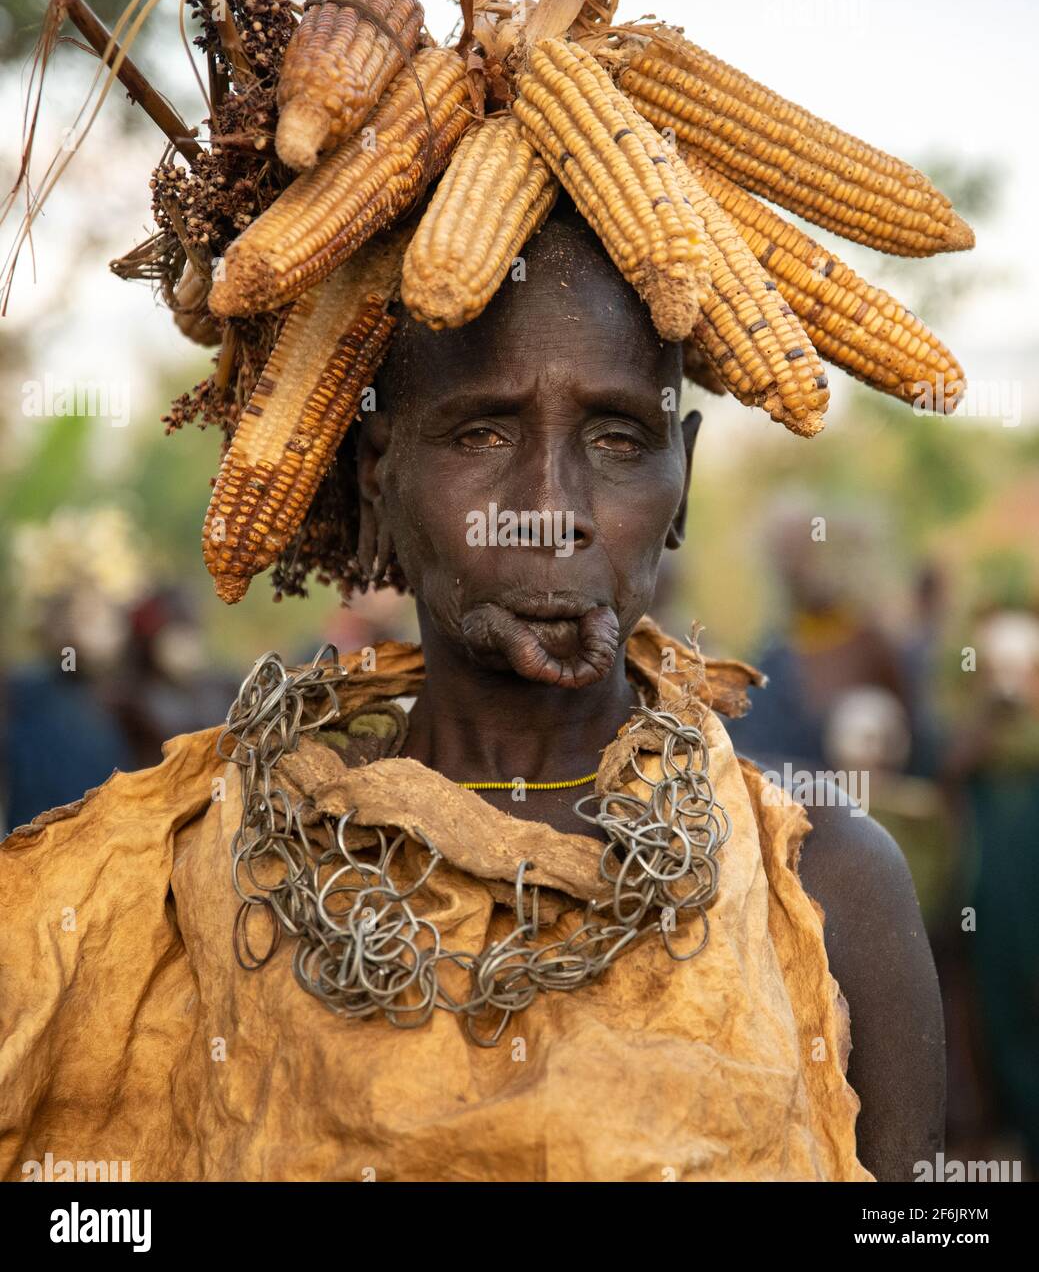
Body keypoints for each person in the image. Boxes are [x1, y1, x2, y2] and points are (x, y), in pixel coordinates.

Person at [0, 203, 943, 1182]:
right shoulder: (199, 888)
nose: (550, 510)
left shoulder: (826, 887)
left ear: (684, 488)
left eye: (617, 438)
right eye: (481, 434)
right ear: (378, 479)